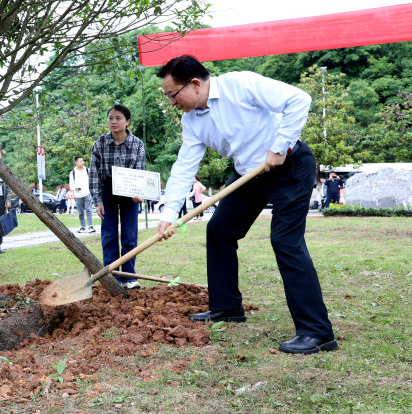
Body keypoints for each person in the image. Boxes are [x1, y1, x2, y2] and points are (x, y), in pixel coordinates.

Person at [154, 55, 336, 355]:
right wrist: (169, 214)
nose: (172, 102)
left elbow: (299, 99)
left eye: (173, 95)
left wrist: (279, 146)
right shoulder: (191, 121)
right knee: (220, 230)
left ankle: (317, 331)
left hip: (290, 167)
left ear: (195, 84)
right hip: (248, 175)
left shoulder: (241, 84)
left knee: (285, 241)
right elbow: (185, 166)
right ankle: (227, 307)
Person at [90, 104, 145, 289]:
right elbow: (94, 174)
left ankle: (129, 277)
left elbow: (140, 172)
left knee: (130, 235)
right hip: (108, 192)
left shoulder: (137, 144)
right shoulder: (100, 143)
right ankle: (112, 277)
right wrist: (97, 200)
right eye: (110, 118)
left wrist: (139, 193)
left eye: (118, 118)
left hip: (130, 193)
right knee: (109, 235)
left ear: (127, 121)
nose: (113, 121)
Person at [70, 156, 94, 232]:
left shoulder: (87, 170)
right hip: (78, 194)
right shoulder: (72, 172)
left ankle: (90, 226)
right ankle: (82, 227)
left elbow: (92, 180)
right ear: (76, 162)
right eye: (80, 161)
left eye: (83, 161)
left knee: (89, 210)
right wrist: (75, 188)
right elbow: (71, 184)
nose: (82, 162)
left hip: (87, 192)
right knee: (80, 211)